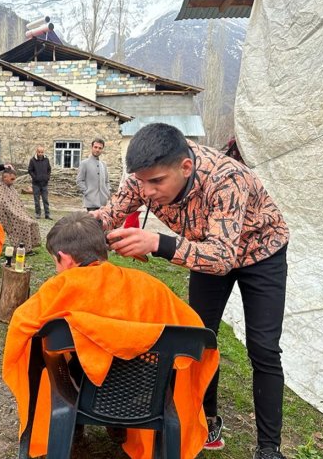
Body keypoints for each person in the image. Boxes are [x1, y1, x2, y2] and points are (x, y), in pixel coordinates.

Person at [94, 123, 289, 459]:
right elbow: (108, 214)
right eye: (142, 182)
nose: (148, 191)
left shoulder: (226, 178)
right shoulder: (142, 180)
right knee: (199, 338)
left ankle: (269, 447)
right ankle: (207, 419)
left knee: (264, 349)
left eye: (156, 183)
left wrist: (158, 242)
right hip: (204, 248)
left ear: (185, 167)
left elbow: (222, 258)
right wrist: (76, 235)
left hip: (260, 252)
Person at [2, 212, 219, 459]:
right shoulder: (150, 286)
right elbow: (199, 336)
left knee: (54, 353)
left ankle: (71, 428)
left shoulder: (60, 288)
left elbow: (21, 326)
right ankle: (124, 428)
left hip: (81, 387)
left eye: (56, 263)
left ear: (65, 258)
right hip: (144, 390)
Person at [0, 168, 40, 253]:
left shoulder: (10, 187)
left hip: (16, 212)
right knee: (24, 223)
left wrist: (20, 211)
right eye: (12, 179)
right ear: (5, 177)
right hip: (7, 214)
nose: (13, 182)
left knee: (33, 222)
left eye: (14, 179)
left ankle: (29, 247)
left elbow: (17, 201)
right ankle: (21, 249)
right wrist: (13, 212)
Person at [76, 138, 110, 211]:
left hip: (104, 202)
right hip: (91, 202)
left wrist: (107, 193)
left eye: (100, 148)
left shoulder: (103, 164)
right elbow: (79, 180)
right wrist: (87, 192)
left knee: (103, 222)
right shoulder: (84, 163)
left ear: (102, 150)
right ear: (92, 147)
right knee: (92, 222)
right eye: (95, 147)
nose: (97, 150)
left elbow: (107, 181)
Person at [27, 146, 52, 220]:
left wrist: (47, 177)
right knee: (37, 200)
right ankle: (38, 214)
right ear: (36, 152)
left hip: (44, 184)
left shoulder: (46, 160)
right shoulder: (32, 160)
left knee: (45, 200)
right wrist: (35, 177)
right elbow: (30, 170)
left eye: (42, 152)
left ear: (43, 152)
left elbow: (49, 169)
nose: (40, 153)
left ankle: (47, 214)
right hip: (36, 184)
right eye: (39, 152)